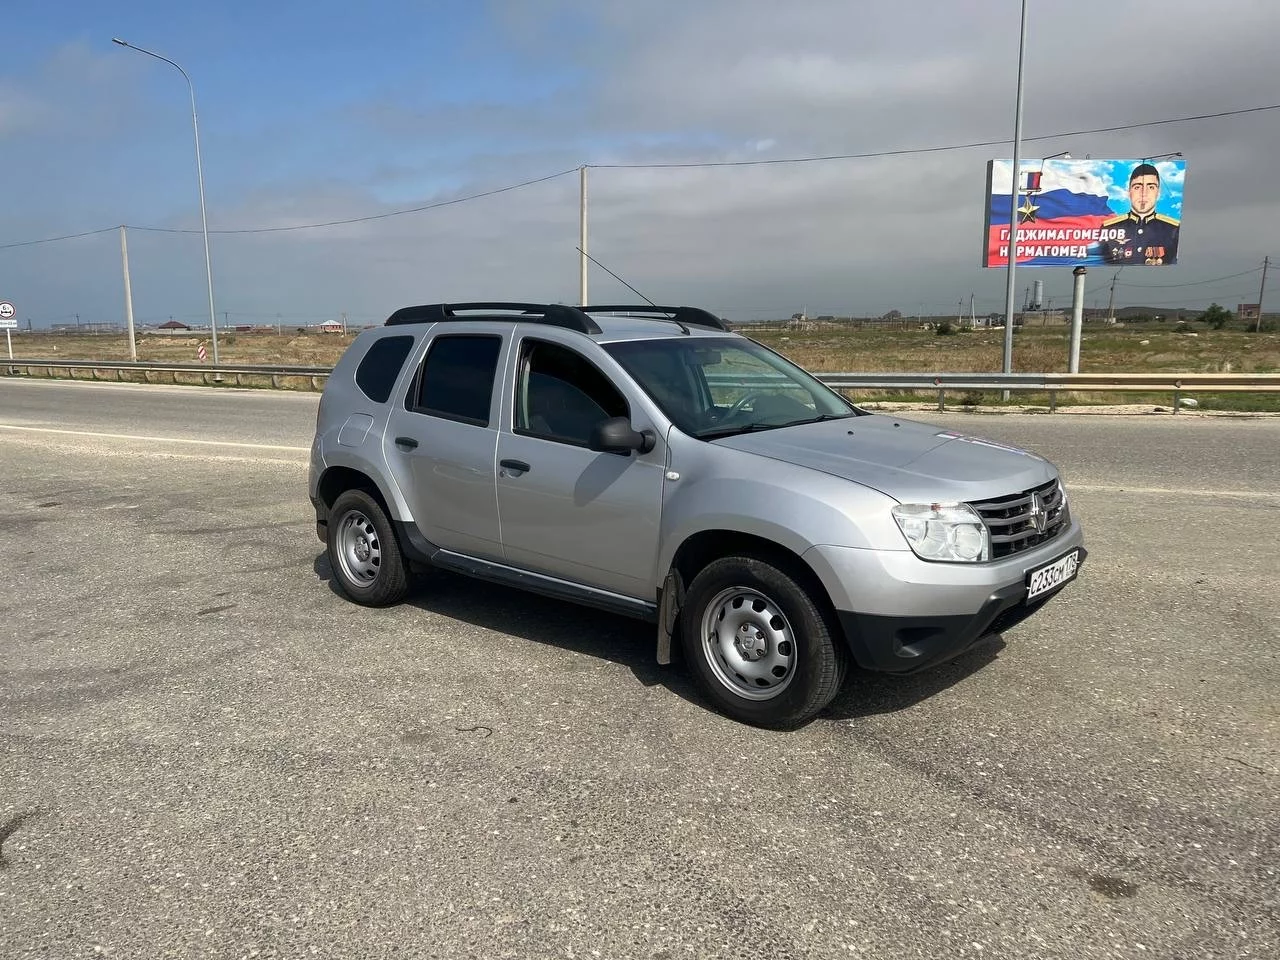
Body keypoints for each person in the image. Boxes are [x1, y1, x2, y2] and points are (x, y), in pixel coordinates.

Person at [1098, 162, 1180, 265]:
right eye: (1137, 187)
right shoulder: (1109, 227)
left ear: (1158, 193)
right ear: (1129, 192)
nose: (1143, 194)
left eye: (1151, 187)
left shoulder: (1173, 229)